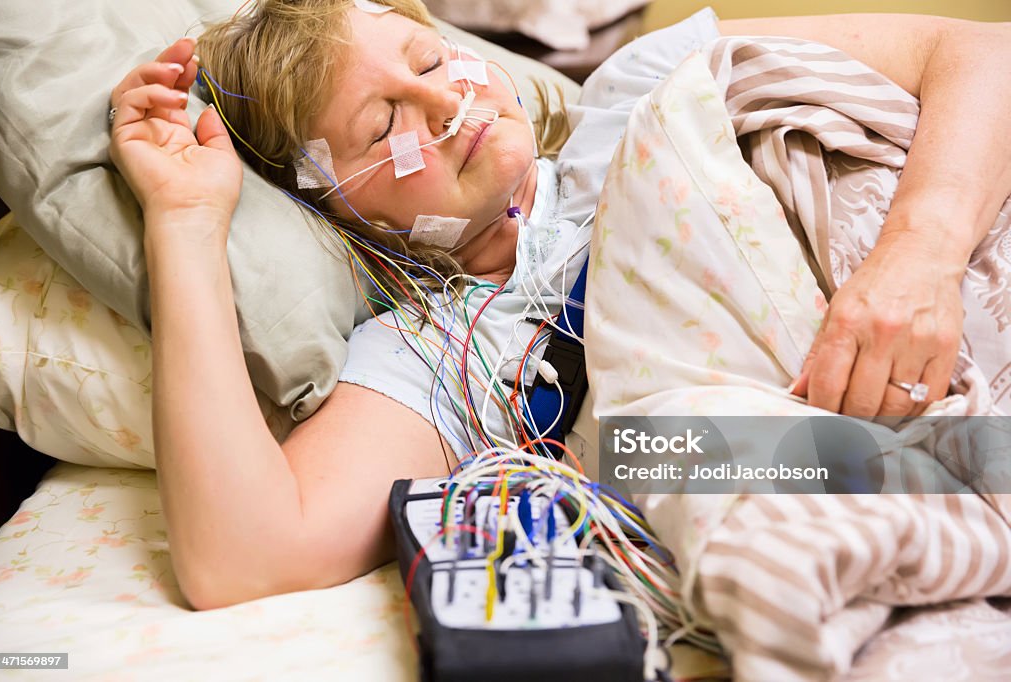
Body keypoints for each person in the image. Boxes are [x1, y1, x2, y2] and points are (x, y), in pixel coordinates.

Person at [108, 0, 1011, 610]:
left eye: (430, 61)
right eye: (383, 127)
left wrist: (919, 255)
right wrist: (185, 220)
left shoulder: (642, 95)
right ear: (329, 205)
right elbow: (244, 557)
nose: (443, 103)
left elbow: (978, 52)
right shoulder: (443, 353)